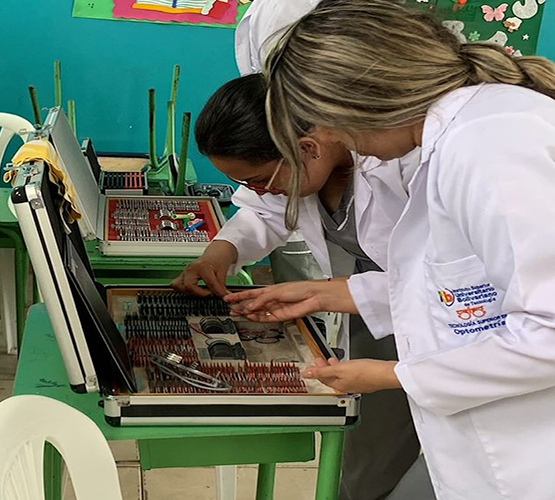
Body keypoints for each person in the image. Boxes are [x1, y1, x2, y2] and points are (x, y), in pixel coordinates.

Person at [226, 0, 555, 498]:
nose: (331, 140)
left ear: (361, 101)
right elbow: (467, 291)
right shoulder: (458, 136)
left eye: (325, 123)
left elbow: (547, 330)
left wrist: (394, 374)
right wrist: (330, 293)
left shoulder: (487, 143)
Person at [173, 73, 431, 500]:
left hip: (457, 322)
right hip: (376, 313)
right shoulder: (305, 170)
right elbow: (266, 208)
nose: (256, 192)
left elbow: (452, 285)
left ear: (308, 148)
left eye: (258, 178)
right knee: (371, 452)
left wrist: (326, 293)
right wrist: (221, 251)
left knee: (449, 457)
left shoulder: (406, 162)